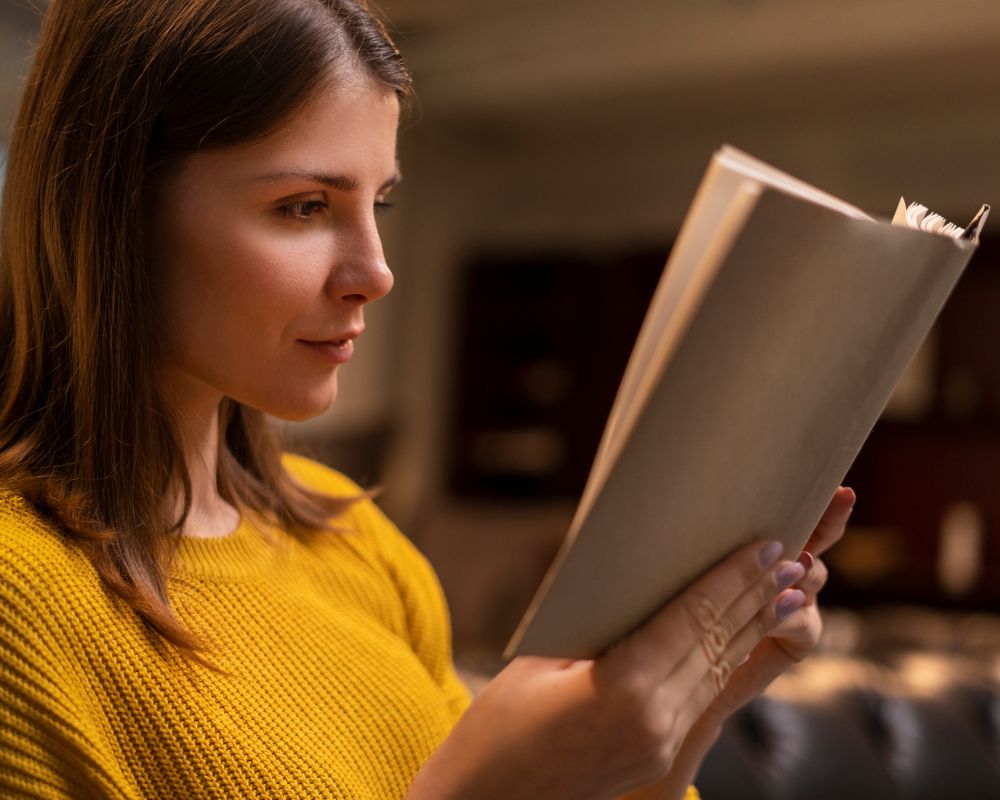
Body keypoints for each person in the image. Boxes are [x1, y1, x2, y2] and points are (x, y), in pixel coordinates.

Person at [0, 1, 853, 798]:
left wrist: (684, 713)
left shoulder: (354, 541)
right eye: (302, 207)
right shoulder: (20, 606)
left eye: (380, 204)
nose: (377, 273)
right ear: (114, 212)